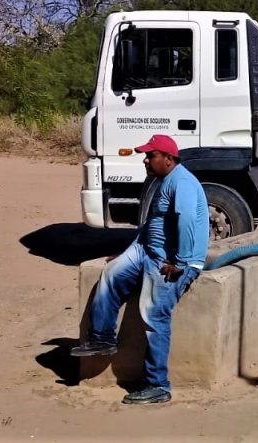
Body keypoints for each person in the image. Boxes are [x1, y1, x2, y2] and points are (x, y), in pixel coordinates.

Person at [71, 134, 209, 405]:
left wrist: (180, 263)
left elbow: (187, 222)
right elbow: (151, 225)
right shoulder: (163, 181)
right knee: (111, 274)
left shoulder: (182, 182)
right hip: (147, 250)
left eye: (150, 155)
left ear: (168, 159)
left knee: (154, 313)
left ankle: (158, 385)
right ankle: (102, 338)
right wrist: (127, 252)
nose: (145, 160)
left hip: (172, 262)